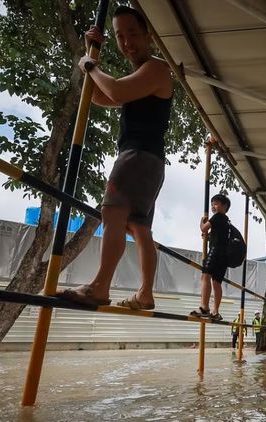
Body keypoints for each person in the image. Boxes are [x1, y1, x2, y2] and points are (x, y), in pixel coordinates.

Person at [57, 6, 173, 310]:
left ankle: (100, 286)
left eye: (133, 33)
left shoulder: (157, 68)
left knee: (113, 213)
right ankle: (145, 293)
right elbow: (99, 97)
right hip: (150, 160)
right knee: (139, 226)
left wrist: (91, 66)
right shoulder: (140, 75)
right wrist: (89, 53)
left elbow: (117, 92)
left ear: (148, 35)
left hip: (137, 156)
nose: (126, 41)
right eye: (120, 36)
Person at [190, 194, 231, 321]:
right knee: (217, 283)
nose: (213, 206)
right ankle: (215, 312)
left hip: (215, 252)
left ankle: (204, 308)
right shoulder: (227, 220)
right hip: (224, 256)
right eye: (212, 204)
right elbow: (218, 236)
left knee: (205, 276)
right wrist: (207, 236)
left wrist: (202, 222)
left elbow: (204, 228)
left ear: (224, 206)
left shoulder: (218, 216)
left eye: (216, 204)